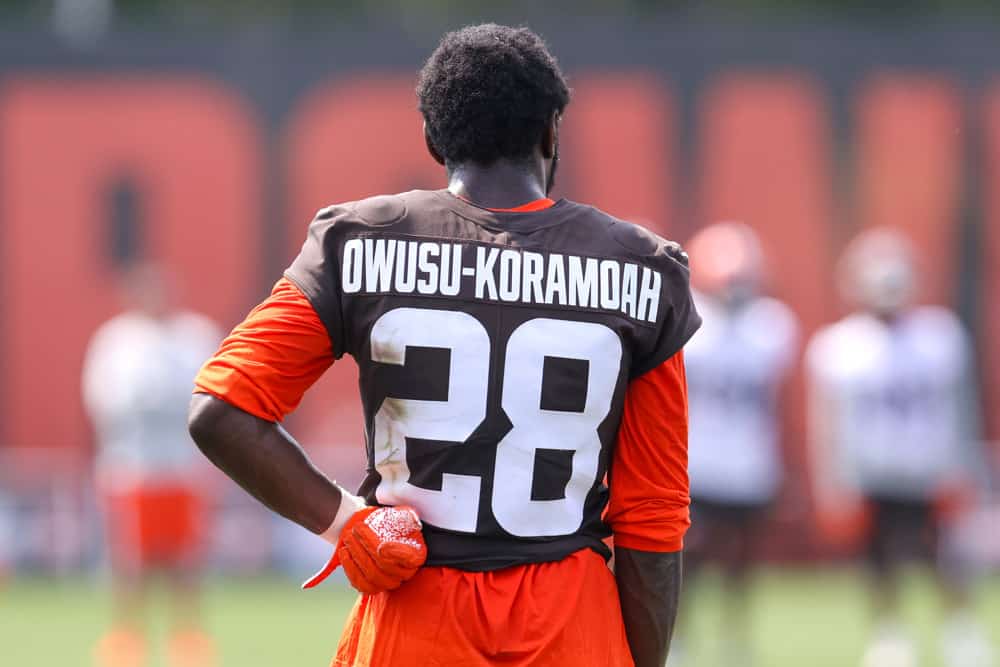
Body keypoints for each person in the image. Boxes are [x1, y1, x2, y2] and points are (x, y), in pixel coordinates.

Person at [188, 23, 700, 667]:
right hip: (570, 622)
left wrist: (347, 524)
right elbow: (652, 514)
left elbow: (219, 410)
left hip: (413, 616)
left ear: (435, 139)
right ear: (550, 132)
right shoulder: (642, 270)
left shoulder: (358, 244)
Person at [806, 228, 993, 667]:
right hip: (873, 469)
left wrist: (966, 467)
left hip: (930, 466)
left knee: (948, 559)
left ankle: (960, 632)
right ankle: (889, 636)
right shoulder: (839, 346)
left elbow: (962, 407)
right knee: (880, 561)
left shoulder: (940, 334)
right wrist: (832, 481)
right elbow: (827, 423)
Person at [83, 263, 221, 667]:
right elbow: (104, 401)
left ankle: (188, 640)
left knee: (186, 559)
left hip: (183, 468)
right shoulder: (115, 341)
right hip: (132, 468)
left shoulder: (195, 335)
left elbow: (209, 394)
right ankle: (127, 641)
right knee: (130, 560)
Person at [678, 222, 798, 665]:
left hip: (750, 461)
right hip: (697, 461)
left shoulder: (773, 326)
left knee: (742, 560)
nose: (736, 289)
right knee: (689, 556)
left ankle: (734, 637)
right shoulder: (690, 320)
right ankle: (681, 635)